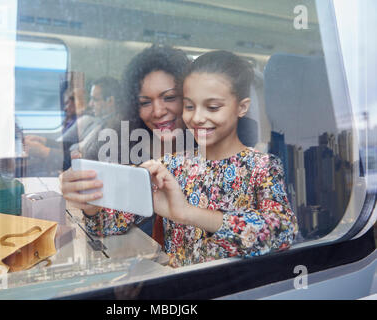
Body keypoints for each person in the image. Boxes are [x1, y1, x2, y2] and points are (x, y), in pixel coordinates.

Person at [65, 50, 298, 268]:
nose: (197, 118)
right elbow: (111, 224)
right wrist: (92, 205)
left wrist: (187, 213)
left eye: (213, 107)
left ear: (242, 107)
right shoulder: (172, 165)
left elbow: (282, 232)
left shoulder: (263, 167)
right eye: (188, 106)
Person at [60, 45, 191, 236]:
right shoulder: (122, 148)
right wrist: (90, 205)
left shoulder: (208, 154)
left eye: (169, 97)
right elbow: (110, 223)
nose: (158, 111)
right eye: (145, 102)